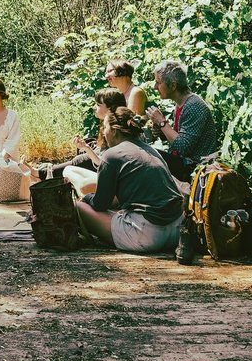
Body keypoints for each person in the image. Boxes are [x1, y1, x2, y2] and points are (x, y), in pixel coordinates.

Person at [74, 107, 184, 253]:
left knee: (77, 207)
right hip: (177, 231)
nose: (104, 132)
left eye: (105, 127)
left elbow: (100, 204)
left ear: (114, 130)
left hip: (147, 235)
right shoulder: (151, 150)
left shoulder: (112, 155)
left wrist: (86, 198)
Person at [36, 88, 125, 195]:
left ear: (110, 109)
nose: (94, 107)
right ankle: (44, 173)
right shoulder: (106, 124)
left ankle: (43, 173)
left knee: (78, 163)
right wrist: (85, 147)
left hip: (113, 181)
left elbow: (105, 164)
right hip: (103, 166)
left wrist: (87, 149)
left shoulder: (116, 130)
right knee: (80, 158)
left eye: (98, 105)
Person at [145, 60, 219, 182]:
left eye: (158, 82)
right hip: (184, 163)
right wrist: (163, 132)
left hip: (195, 168)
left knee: (147, 155)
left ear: (173, 85)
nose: (154, 87)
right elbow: (180, 138)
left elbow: (183, 147)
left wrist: (162, 123)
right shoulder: (181, 103)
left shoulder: (193, 106)